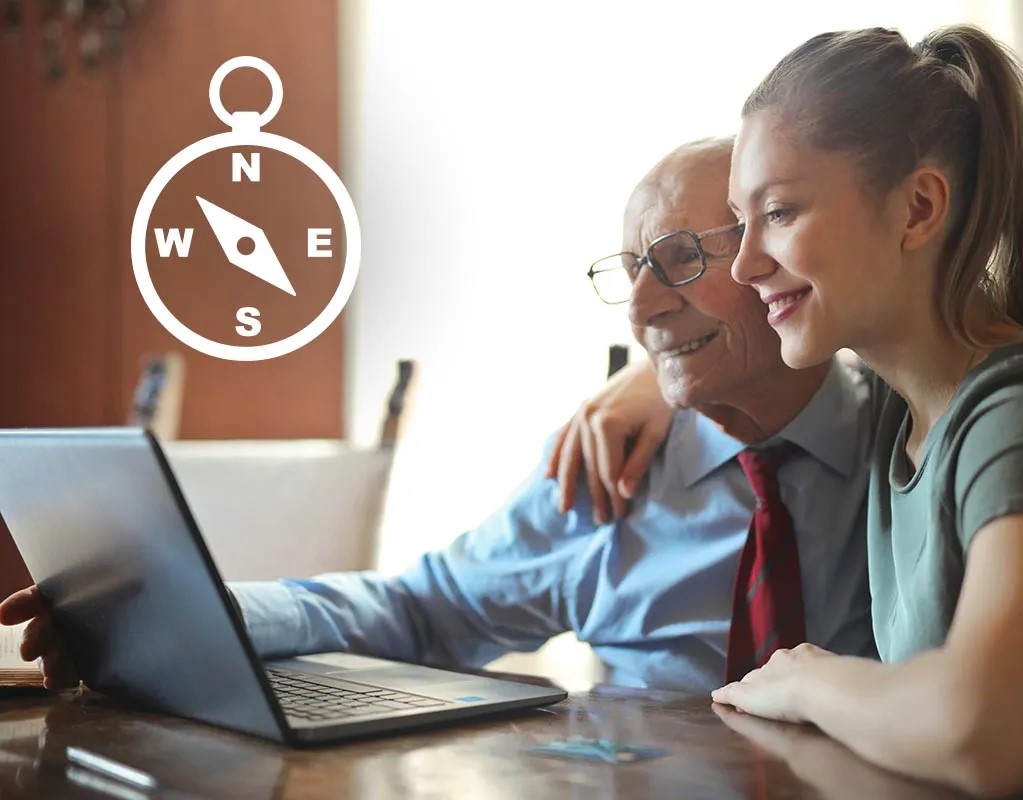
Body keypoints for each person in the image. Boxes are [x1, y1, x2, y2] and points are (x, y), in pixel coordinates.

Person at [552, 25, 1023, 796]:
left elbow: (989, 731)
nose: (750, 262)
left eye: (781, 213)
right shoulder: (905, 414)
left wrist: (803, 680)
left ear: (919, 208)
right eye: (741, 221)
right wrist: (658, 381)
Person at [0, 136, 876, 696]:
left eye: (680, 258)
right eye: (630, 268)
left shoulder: (917, 436)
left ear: (782, 253)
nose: (640, 307)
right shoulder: (608, 468)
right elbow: (423, 610)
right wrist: (195, 611)